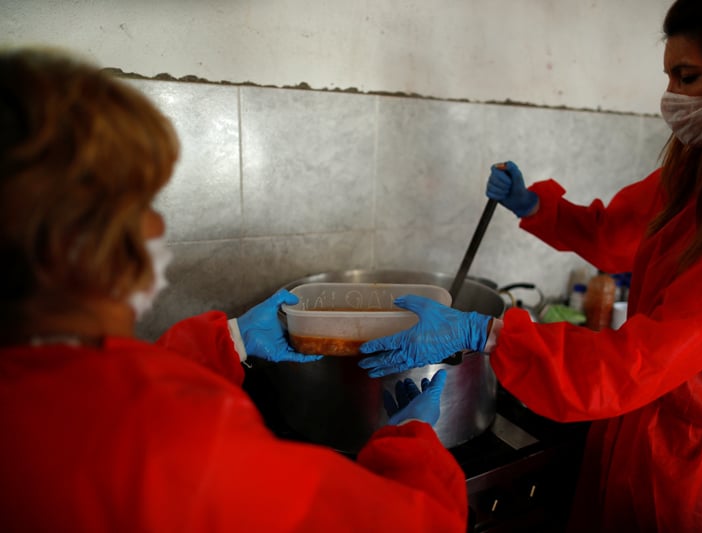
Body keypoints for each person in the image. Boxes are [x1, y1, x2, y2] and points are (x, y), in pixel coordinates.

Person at [358, 0, 702, 531]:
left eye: (687, 77)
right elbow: (616, 236)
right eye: (669, 79)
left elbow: (635, 361)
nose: (671, 100)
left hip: (698, 471)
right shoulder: (697, 178)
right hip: (629, 429)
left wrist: (486, 332)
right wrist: (534, 206)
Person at [0, 47, 467, 532]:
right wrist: (408, 442)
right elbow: (417, 524)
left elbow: (94, 398)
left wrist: (232, 340)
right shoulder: (188, 443)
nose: (158, 222)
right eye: (140, 201)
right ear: (68, 242)